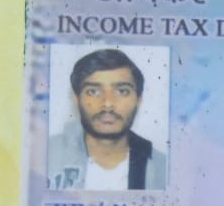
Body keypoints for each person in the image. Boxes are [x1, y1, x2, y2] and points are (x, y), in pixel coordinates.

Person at [47, 48, 167, 190]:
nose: (108, 103)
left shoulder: (163, 168)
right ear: (77, 99)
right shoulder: (43, 156)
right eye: (93, 91)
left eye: (122, 91)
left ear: (138, 100)